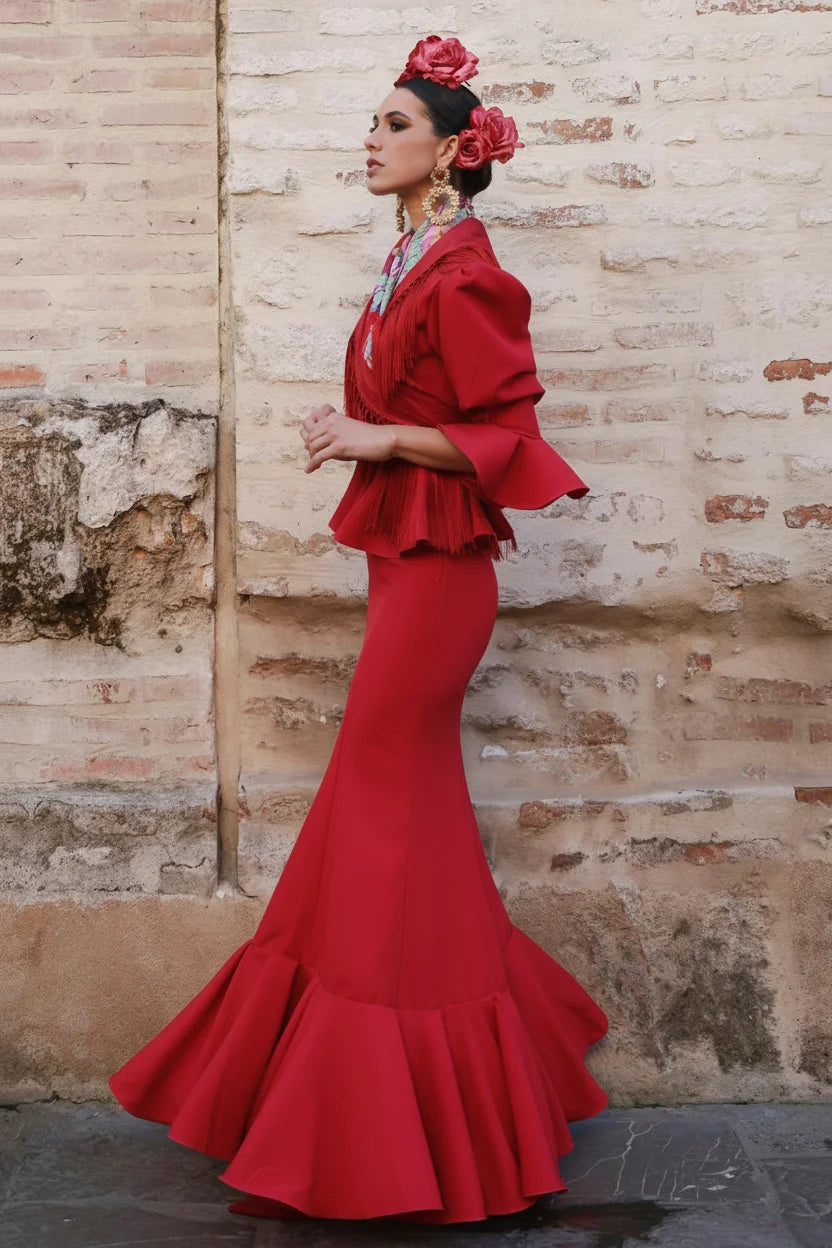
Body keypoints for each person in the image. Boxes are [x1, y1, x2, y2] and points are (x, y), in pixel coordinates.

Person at [108, 34, 609, 1226]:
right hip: (405, 568)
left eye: (392, 124)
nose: (369, 138)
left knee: (382, 813)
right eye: (373, 122)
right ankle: (450, 1103)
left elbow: (506, 441)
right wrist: (365, 430)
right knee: (387, 815)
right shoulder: (408, 264)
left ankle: (384, 1117)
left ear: (447, 154)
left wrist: (375, 437)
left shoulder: (471, 275)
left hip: (443, 581)